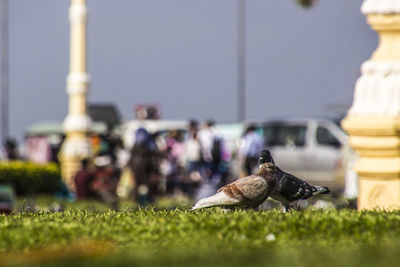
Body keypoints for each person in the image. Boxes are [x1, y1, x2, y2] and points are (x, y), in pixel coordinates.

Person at [128, 128, 161, 204]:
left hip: (137, 167)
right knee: (147, 184)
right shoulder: (149, 144)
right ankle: (147, 200)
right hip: (145, 167)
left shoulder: (136, 144)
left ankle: (138, 200)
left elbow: (131, 157)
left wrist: (130, 166)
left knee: (138, 183)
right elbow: (153, 156)